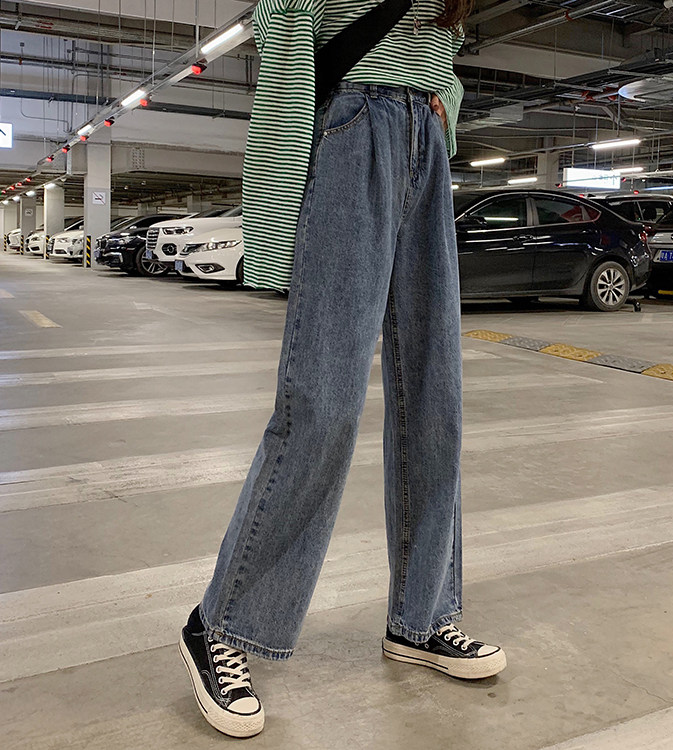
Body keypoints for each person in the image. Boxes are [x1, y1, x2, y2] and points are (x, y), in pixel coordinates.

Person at [179, 0, 506, 738]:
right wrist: (271, 233)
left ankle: (420, 618)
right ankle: (220, 624)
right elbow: (288, 38)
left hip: (425, 142)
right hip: (350, 132)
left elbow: (441, 56)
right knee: (322, 403)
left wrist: (444, 108)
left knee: (435, 401)